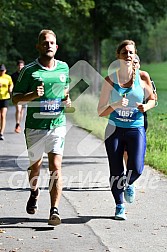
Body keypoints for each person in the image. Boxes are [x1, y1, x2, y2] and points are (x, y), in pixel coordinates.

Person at [12, 29, 71, 226]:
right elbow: (15, 99)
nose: (48, 45)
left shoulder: (63, 68)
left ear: (56, 46)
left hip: (57, 125)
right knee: (35, 168)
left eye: (51, 43)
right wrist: (32, 95)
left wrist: (66, 100)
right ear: (38, 46)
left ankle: (54, 210)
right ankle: (34, 191)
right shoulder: (29, 71)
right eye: (44, 43)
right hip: (35, 128)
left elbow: (64, 92)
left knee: (55, 167)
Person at [97, 40, 155, 220]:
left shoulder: (143, 77)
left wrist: (146, 107)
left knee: (136, 167)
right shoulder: (110, 80)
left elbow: (152, 98)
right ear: (118, 56)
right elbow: (100, 111)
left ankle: (129, 183)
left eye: (131, 52)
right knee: (115, 170)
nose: (128, 56)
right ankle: (119, 206)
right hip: (114, 130)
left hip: (135, 128)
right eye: (124, 53)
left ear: (134, 54)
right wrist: (114, 105)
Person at [11, 60, 25, 133]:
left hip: (25, 95)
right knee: (18, 109)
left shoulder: (25, 75)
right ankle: (17, 124)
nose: (20, 67)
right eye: (19, 66)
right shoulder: (13, 75)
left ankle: (18, 123)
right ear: (17, 67)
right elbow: (11, 85)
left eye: (22, 66)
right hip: (16, 94)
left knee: (22, 110)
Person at [0, 64, 13, 140]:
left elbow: (11, 84)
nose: (2, 72)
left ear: (5, 70)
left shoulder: (8, 77)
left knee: (3, 115)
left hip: (5, 98)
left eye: (3, 71)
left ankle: (1, 133)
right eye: (0, 71)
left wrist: (10, 89)